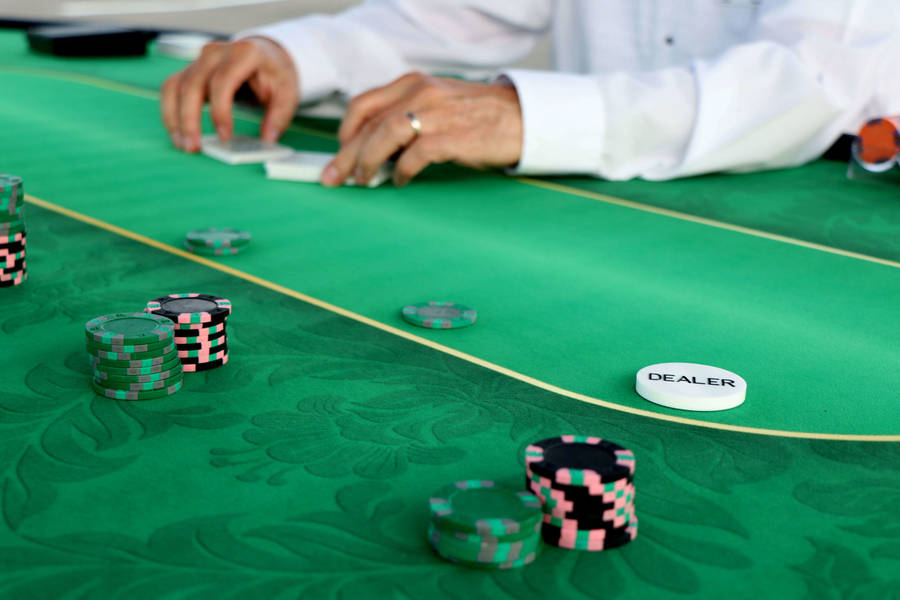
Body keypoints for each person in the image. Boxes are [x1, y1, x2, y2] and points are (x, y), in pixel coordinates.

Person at [160, 1, 900, 186]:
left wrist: (525, 114)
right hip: (594, 196)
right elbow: (463, 14)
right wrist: (293, 52)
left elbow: (807, 82)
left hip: (822, 209)